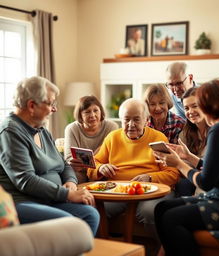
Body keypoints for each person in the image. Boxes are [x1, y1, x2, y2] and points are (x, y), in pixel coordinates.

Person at [153, 79, 219, 256]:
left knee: (171, 218)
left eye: (199, 105)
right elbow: (217, 170)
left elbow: (206, 182)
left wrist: (179, 164)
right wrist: (188, 157)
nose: (196, 111)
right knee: (162, 208)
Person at [0, 76, 99, 236]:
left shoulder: (41, 130)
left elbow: (64, 164)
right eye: (50, 103)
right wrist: (67, 194)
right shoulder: (10, 132)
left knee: (90, 215)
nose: (54, 109)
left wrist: (70, 182)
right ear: (32, 105)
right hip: (23, 203)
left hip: (50, 199)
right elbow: (25, 180)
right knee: (68, 223)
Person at [87, 98, 180, 237]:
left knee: (149, 212)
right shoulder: (112, 138)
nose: (131, 125)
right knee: (92, 209)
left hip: (150, 192)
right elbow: (92, 166)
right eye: (126, 120)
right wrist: (100, 168)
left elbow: (173, 173)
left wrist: (150, 177)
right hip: (118, 191)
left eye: (136, 119)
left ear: (146, 119)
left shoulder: (158, 139)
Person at [64, 95, 118, 183]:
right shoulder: (71, 128)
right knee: (71, 176)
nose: (92, 115)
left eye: (96, 110)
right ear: (80, 115)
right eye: (87, 112)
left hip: (102, 169)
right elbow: (69, 158)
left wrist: (94, 163)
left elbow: (111, 155)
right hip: (80, 171)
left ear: (101, 112)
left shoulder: (111, 127)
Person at [175, 87, 209, 196]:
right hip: (191, 176)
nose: (190, 112)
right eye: (186, 108)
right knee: (183, 183)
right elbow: (183, 163)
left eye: (195, 106)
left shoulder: (218, 131)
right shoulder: (185, 134)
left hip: (210, 179)